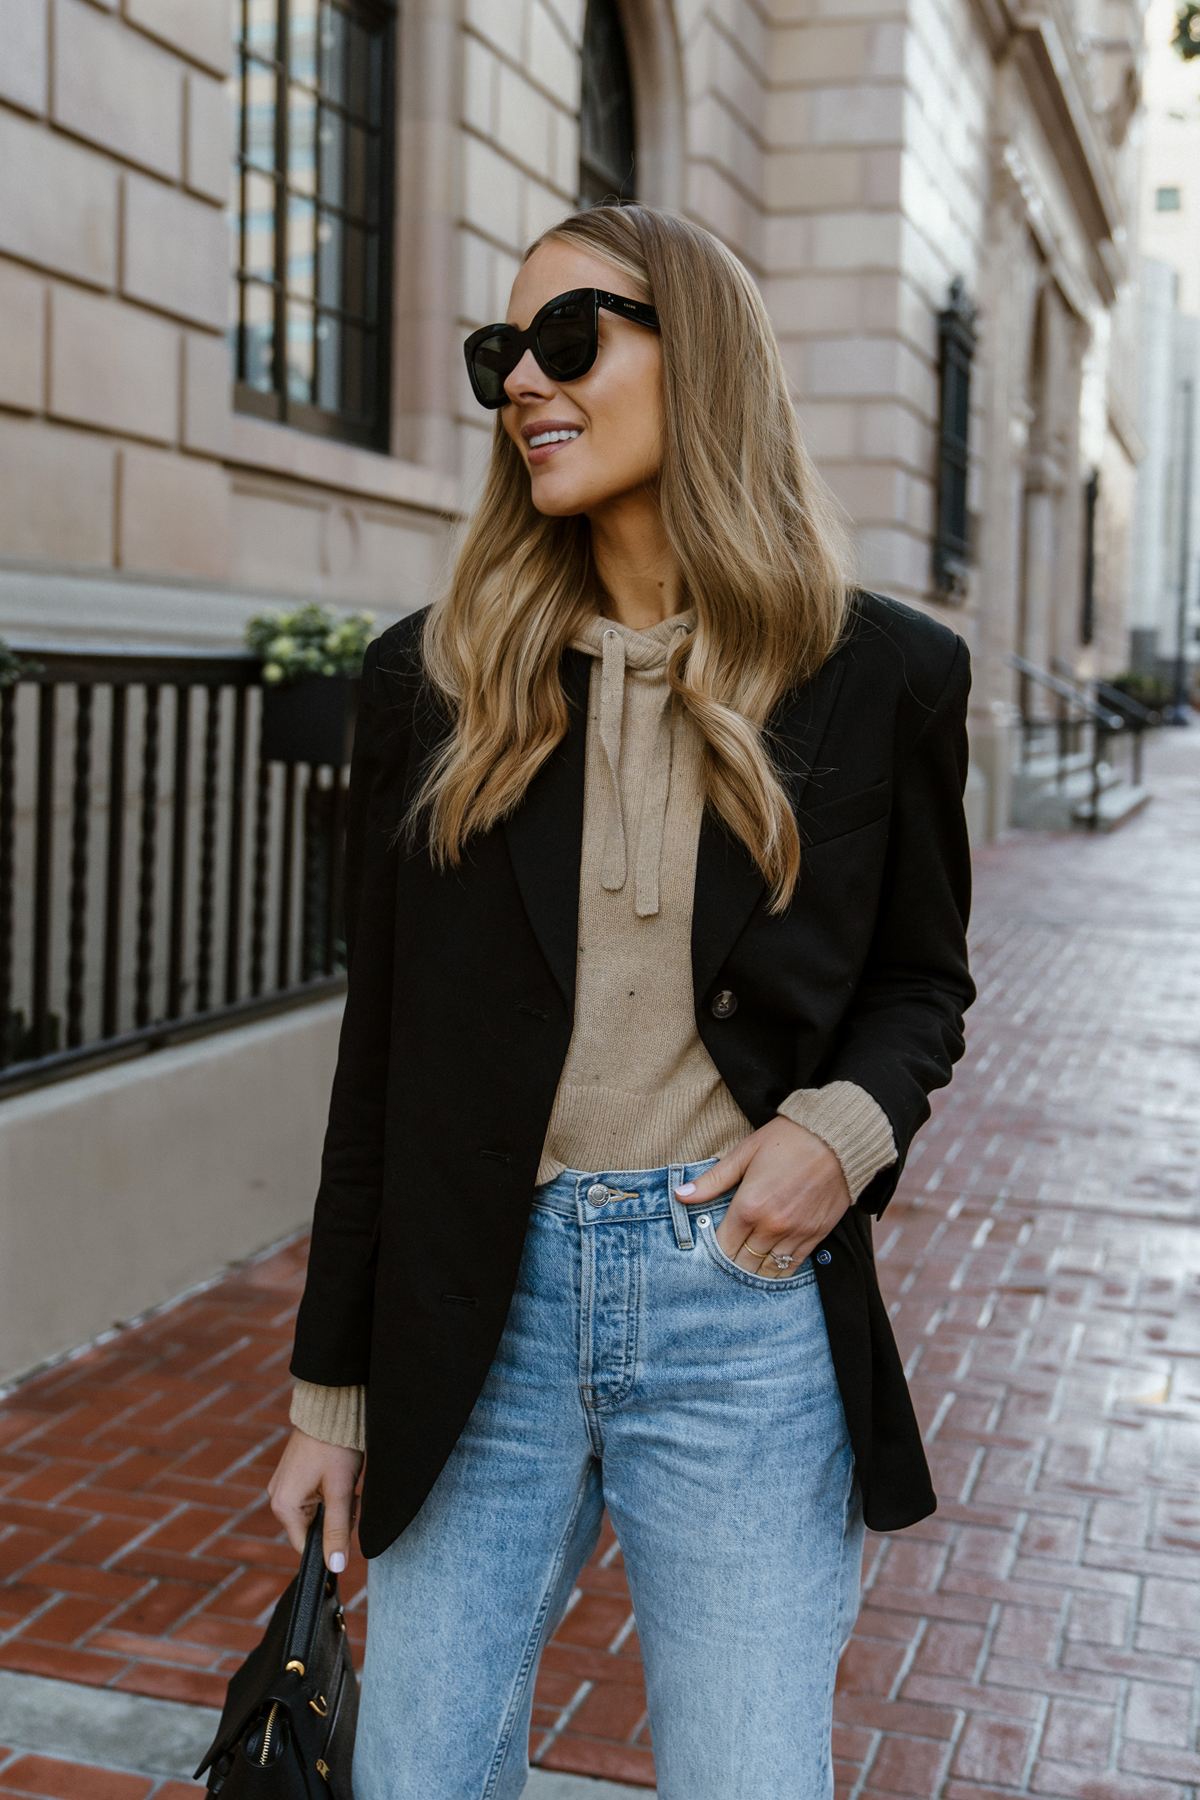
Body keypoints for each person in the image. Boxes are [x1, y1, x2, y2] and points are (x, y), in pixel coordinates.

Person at [267, 203, 974, 1800]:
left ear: (699, 361)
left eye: (571, 338)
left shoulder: (881, 678)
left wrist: (836, 1138)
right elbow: (379, 1063)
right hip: (480, 1302)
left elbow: (921, 980)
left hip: (738, 1298)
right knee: (418, 1778)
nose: (526, 380)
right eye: (501, 353)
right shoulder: (434, 682)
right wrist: (328, 1395)